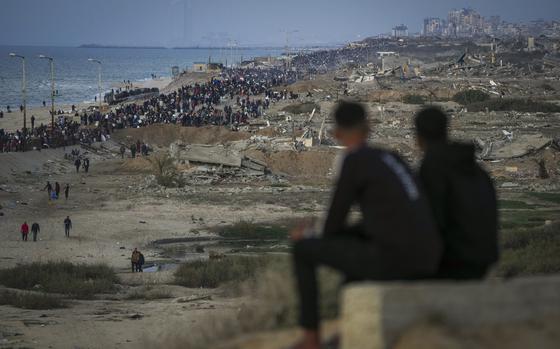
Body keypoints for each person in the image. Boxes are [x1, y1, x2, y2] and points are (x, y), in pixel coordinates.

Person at [290, 102, 442, 349]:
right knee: (353, 253)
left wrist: (308, 234)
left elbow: (332, 226)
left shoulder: (354, 161)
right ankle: (350, 327)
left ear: (336, 133)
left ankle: (311, 338)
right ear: (369, 127)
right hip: (429, 257)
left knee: (303, 250)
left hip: (396, 259)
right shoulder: (393, 158)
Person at [414, 107, 498, 280]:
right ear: (447, 130)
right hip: (484, 258)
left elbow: (431, 221)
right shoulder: (472, 166)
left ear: (418, 138)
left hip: (455, 262)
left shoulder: (433, 167)